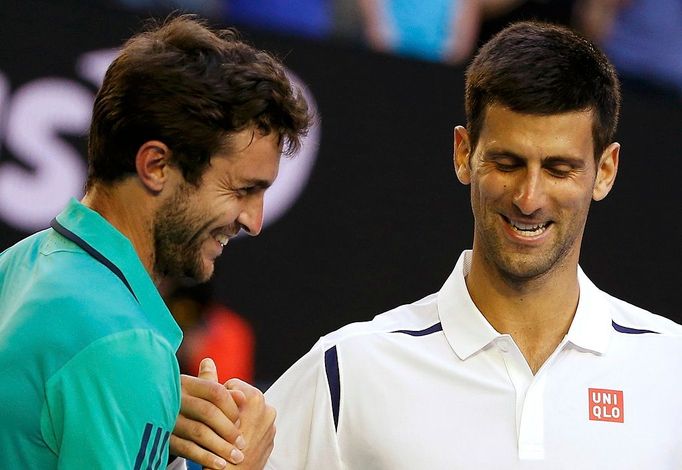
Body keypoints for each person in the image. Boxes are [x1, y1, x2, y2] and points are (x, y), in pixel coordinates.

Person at [259, 21, 682, 468]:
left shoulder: (672, 368)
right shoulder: (349, 368)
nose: (529, 198)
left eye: (559, 169)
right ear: (464, 153)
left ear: (606, 170)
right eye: (507, 162)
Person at [0, 15, 310, 468]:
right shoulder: (125, 344)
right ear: (156, 166)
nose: (254, 220)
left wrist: (150, 406)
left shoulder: (17, 264)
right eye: (242, 190)